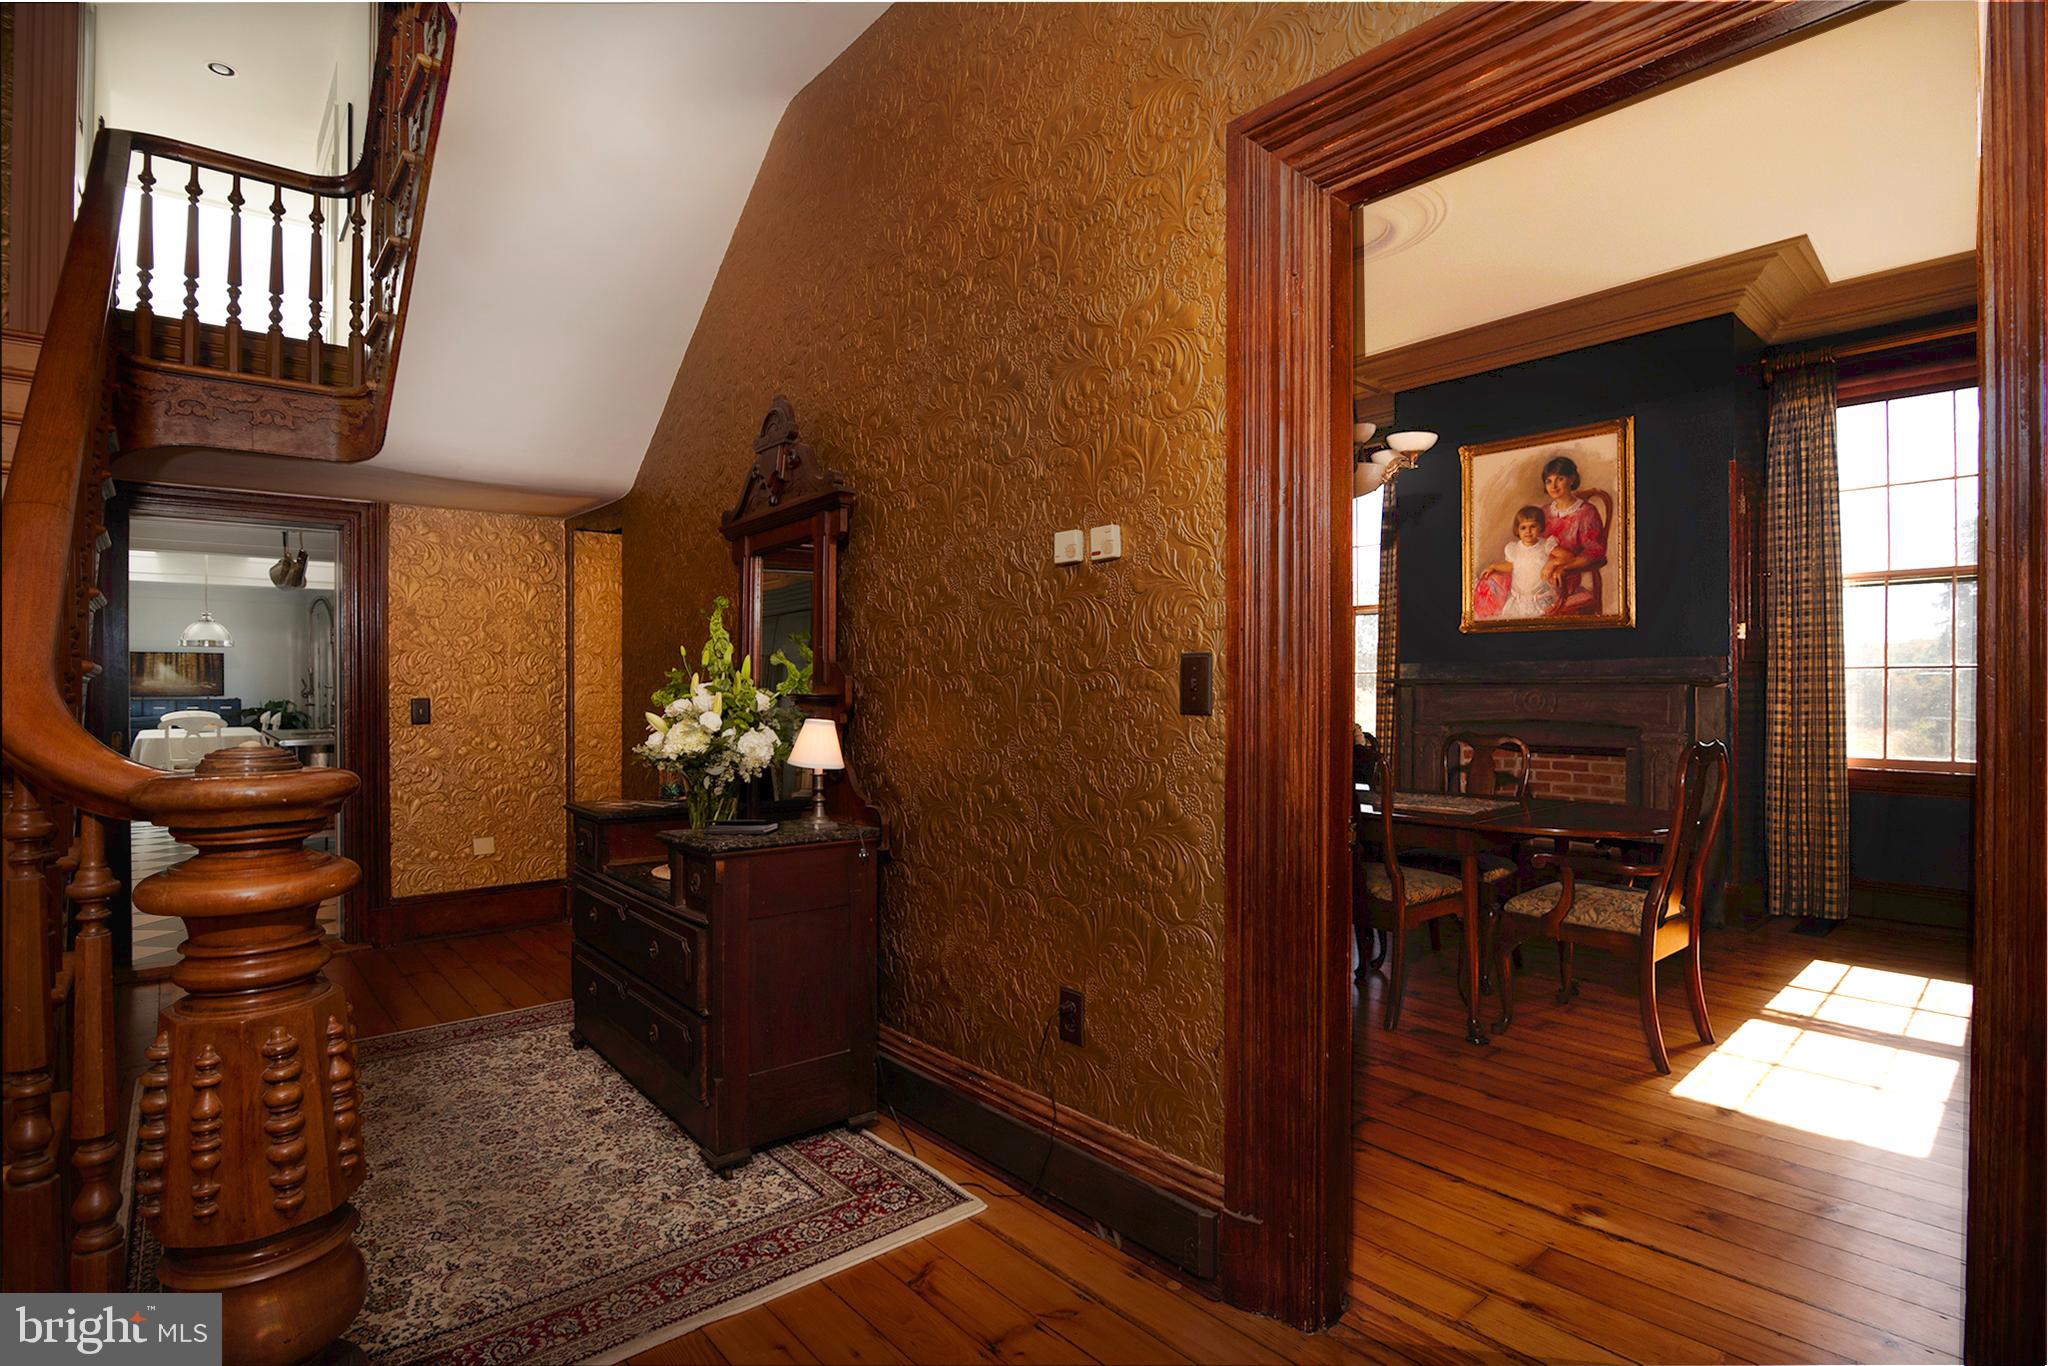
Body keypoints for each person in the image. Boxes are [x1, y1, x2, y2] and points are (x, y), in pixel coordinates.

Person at [1536, 454, 1607, 614]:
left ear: (1572, 479)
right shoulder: (1544, 512)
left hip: (1564, 579)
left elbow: (1594, 552)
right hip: (1535, 571)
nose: (1553, 486)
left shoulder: (1587, 512)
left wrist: (1560, 565)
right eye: (1549, 481)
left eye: (1559, 478)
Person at [1482, 505, 1564, 618]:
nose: (1528, 531)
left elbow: (1568, 556)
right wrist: (1494, 566)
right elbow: (1511, 566)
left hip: (1541, 600)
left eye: (1533, 526)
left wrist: (1552, 563)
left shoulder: (1546, 545)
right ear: (1517, 530)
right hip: (1518, 601)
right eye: (1523, 528)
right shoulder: (1514, 548)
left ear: (1540, 527)